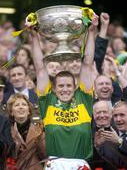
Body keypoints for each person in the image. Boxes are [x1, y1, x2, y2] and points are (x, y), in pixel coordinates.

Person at [31, 13, 99, 170]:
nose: (65, 89)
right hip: (54, 164)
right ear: (54, 88)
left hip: (80, 164)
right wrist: (34, 35)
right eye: (61, 86)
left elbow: (87, 63)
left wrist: (92, 31)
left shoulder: (83, 98)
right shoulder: (47, 101)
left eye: (69, 85)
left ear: (75, 87)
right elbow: (40, 68)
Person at [7, 93, 47, 170]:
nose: (21, 107)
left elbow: (45, 154)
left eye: (24, 105)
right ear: (11, 112)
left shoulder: (39, 129)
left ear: (29, 111)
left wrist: (42, 135)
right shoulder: (6, 131)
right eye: (17, 105)